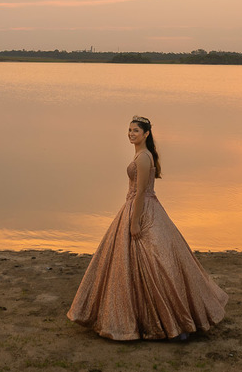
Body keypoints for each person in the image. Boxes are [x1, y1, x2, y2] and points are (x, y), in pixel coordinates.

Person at [67, 116, 228, 341]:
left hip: (142, 209)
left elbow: (141, 192)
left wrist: (135, 222)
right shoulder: (141, 154)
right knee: (138, 262)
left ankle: (175, 323)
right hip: (138, 206)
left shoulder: (143, 157)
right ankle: (164, 321)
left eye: (136, 130)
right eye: (129, 130)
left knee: (156, 262)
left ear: (146, 134)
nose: (131, 134)